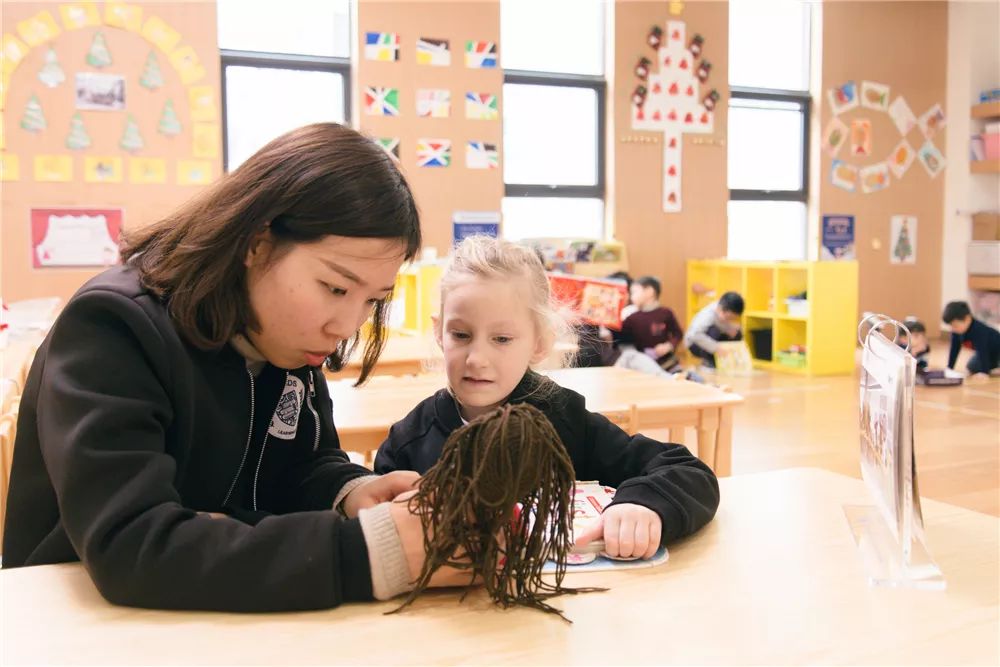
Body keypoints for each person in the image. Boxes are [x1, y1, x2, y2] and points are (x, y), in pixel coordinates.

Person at [2, 123, 467, 611]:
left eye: (372, 300)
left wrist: (351, 491)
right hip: (74, 630)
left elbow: (298, 464)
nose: (346, 325)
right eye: (334, 287)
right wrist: (369, 552)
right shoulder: (114, 328)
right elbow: (132, 545)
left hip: (216, 620)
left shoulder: (284, 338)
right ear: (257, 244)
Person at [374, 236, 720, 560]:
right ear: (439, 332)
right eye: (461, 334)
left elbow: (688, 471)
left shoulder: (564, 417)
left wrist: (644, 505)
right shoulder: (408, 441)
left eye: (502, 339)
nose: (476, 358)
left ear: (539, 342)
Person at [618, 276, 685, 372]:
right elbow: (619, 336)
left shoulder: (666, 313)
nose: (631, 297)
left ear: (649, 292)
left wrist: (669, 345)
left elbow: (678, 333)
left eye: (634, 292)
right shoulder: (632, 318)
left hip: (668, 363)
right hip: (644, 366)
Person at [684, 292, 745, 368]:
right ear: (721, 309)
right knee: (714, 330)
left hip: (713, 341)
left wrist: (730, 329)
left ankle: (728, 361)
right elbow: (695, 335)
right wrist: (715, 347)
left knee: (736, 331)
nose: (729, 320)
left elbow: (725, 325)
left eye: (732, 318)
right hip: (694, 344)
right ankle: (708, 361)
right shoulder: (708, 315)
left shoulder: (724, 311)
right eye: (729, 318)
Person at [942, 301, 1000, 376]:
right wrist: (949, 368)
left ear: (967, 318)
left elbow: (982, 350)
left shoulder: (979, 329)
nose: (953, 329)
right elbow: (954, 349)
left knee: (986, 362)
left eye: (955, 325)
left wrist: (984, 372)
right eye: (951, 326)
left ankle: (994, 367)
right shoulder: (956, 331)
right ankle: (993, 368)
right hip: (989, 354)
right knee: (971, 366)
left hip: (997, 351)